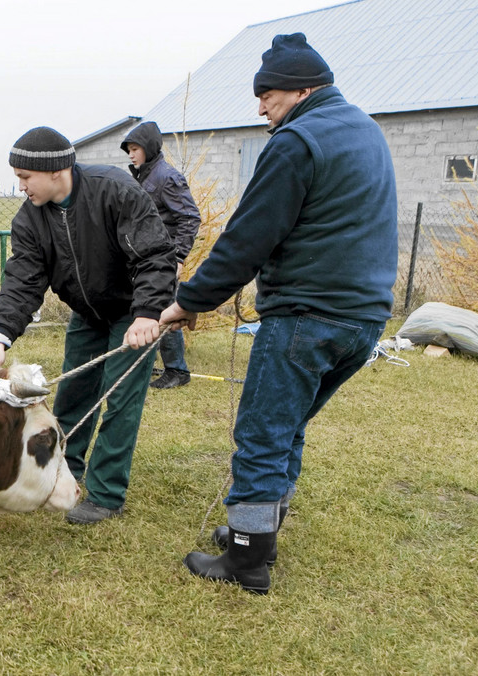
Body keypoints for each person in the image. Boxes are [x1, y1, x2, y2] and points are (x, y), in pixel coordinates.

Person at [160, 33, 398, 593]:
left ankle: (246, 562)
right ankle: (257, 533)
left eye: (267, 93)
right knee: (288, 428)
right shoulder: (366, 130)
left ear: (302, 89)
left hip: (305, 317)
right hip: (363, 322)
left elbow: (248, 237)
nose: (260, 105)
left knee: (264, 432)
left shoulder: (296, 141)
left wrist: (189, 301)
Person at [0, 126, 176, 525]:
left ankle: (106, 493)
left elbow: (155, 255)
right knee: (73, 394)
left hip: (131, 310)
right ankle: (63, 469)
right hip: (87, 313)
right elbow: (22, 280)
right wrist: (1, 337)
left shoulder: (113, 190)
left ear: (55, 171)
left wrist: (146, 313)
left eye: (24, 178)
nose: (21, 187)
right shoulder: (30, 221)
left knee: (120, 400)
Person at [120, 121, 201, 389]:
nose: (131, 155)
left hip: (164, 259)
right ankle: (150, 363)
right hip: (144, 259)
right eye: (128, 150)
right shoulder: (142, 176)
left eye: (135, 149)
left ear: (149, 149)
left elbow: (189, 217)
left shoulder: (167, 177)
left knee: (164, 309)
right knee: (147, 307)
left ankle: (177, 370)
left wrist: (178, 258)